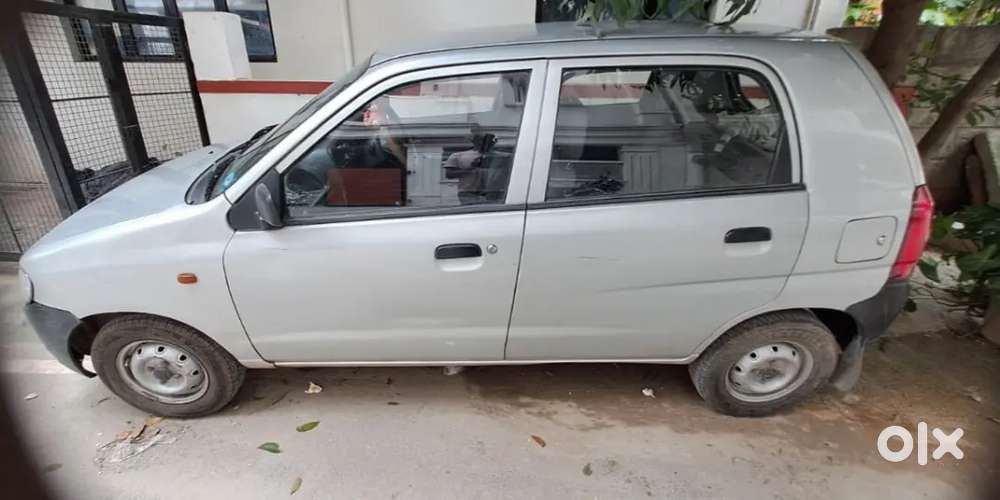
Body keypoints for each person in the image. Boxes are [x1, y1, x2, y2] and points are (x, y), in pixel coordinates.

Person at [443, 125, 496, 205]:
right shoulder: (458, 155)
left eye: (485, 140)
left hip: (494, 193)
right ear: (474, 141)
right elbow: (449, 174)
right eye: (480, 139)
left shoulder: (499, 156)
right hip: (468, 193)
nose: (482, 142)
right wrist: (471, 168)